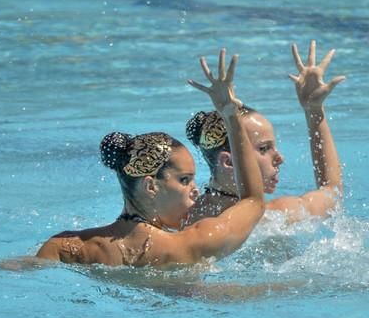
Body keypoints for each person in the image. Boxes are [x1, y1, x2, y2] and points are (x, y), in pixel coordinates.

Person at [36, 49, 265, 266]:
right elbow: (253, 200)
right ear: (151, 186)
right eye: (184, 180)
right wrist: (231, 118)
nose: (196, 191)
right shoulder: (188, 245)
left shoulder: (66, 248)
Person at [184, 40, 345, 225]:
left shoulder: (182, 218)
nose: (280, 158)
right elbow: (332, 193)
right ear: (228, 162)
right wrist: (314, 112)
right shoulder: (272, 218)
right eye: (264, 148)